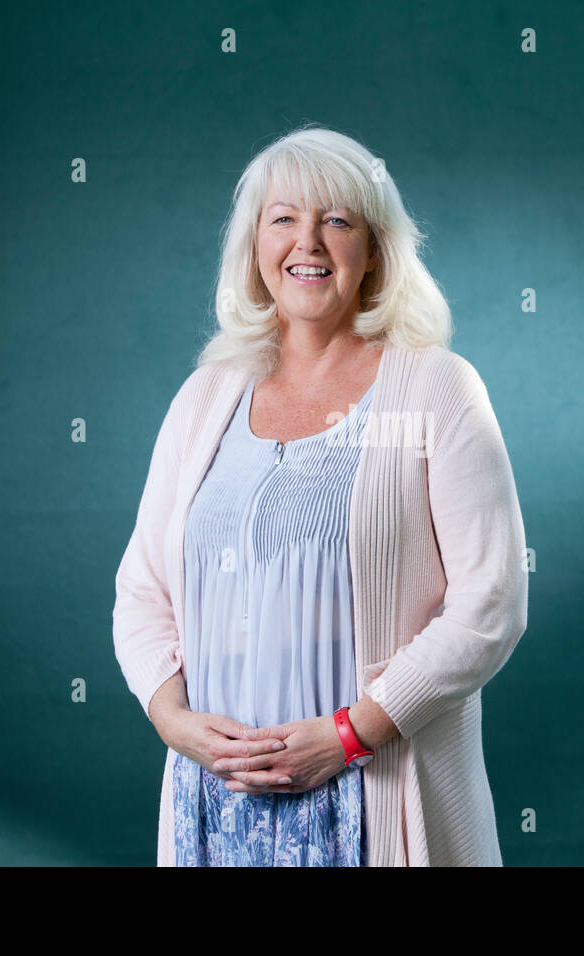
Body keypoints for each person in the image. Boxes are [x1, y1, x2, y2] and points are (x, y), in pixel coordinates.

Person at [112, 123, 528, 866]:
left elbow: (491, 604)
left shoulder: (435, 389)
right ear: (255, 248)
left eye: (336, 220)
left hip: (374, 790)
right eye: (284, 219)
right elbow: (142, 591)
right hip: (216, 803)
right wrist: (173, 719)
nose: (308, 242)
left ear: (375, 252)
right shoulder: (206, 397)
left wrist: (351, 734)